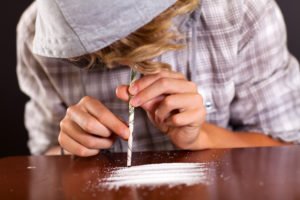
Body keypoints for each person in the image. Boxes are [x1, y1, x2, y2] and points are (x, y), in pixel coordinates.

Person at [17, 0, 300, 156]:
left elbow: (289, 153)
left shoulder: (240, 11)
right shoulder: (36, 36)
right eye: (101, 52)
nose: (123, 64)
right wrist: (70, 150)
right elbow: (42, 160)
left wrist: (201, 138)